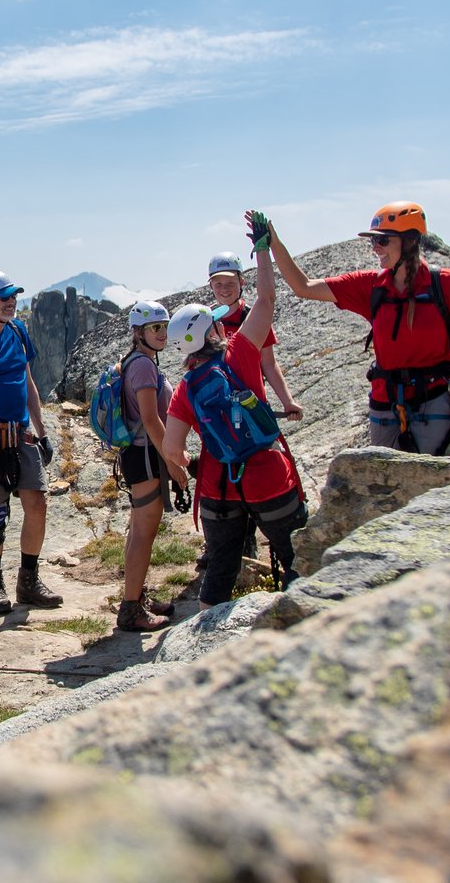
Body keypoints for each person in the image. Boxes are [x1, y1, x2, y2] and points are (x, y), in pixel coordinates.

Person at [162, 214, 308, 608]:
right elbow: (266, 300)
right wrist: (262, 250)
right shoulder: (241, 352)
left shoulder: (185, 389)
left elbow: (172, 449)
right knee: (298, 559)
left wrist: (193, 461)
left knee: (220, 571)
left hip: (217, 485)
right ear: (215, 330)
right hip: (269, 476)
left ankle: (205, 649)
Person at [265, 202, 450, 455]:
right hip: (385, 404)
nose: (376, 248)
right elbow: (303, 286)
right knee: (386, 488)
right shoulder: (371, 286)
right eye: (373, 242)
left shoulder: (445, 283)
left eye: (383, 240)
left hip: (434, 400)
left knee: (432, 485)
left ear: (410, 241)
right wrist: (274, 244)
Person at [0, 271, 61, 615]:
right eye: (4, 297)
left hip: (20, 431)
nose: (11, 303)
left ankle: (28, 580)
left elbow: (28, 381)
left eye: (13, 297)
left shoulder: (18, 330)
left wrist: (42, 430)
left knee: (37, 503)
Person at [114, 302, 185, 631]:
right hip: (146, 455)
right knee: (144, 532)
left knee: (139, 530)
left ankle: (136, 596)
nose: (162, 333)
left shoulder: (136, 361)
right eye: (155, 328)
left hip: (139, 454)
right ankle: (131, 609)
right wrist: (172, 461)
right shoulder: (142, 366)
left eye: (165, 327)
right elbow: (150, 419)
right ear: (138, 332)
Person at [206, 251, 303, 422]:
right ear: (211, 286)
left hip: (253, 400)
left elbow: (268, 363)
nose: (224, 289)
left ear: (241, 282)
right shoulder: (205, 319)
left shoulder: (253, 317)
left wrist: (288, 401)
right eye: (218, 284)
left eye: (230, 283)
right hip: (220, 408)